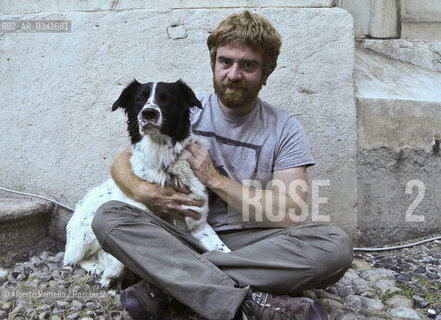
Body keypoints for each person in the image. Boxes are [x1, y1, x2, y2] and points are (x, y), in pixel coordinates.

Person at [91, 10, 353, 320]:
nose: (233, 74)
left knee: (335, 246)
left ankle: (167, 284)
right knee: (108, 217)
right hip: (181, 236)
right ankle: (251, 302)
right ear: (214, 63)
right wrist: (142, 191)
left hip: (254, 243)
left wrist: (215, 180)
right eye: (225, 62)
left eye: (248, 65)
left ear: (268, 71)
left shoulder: (285, 128)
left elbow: (289, 212)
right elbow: (123, 163)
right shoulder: (181, 110)